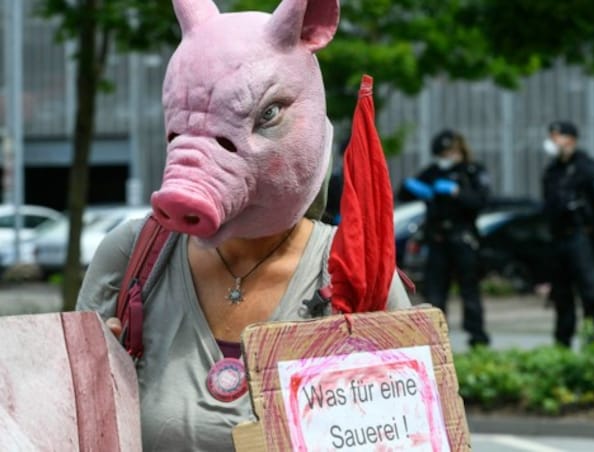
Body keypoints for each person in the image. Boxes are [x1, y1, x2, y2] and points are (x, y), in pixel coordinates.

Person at [76, 0, 412, 450]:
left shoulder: (359, 274)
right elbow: (70, 421)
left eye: (265, 115)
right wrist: (96, 381)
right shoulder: (131, 257)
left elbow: (413, 428)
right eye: (180, 131)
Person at [398, 129, 491, 347]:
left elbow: (481, 201)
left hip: (463, 238)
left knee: (469, 289)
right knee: (435, 291)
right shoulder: (433, 172)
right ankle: (436, 337)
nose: (445, 157)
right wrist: (411, 187)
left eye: (449, 152)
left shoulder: (472, 171)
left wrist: (458, 192)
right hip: (438, 239)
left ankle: (477, 337)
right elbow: (404, 193)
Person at [541, 120, 594, 347]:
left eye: (558, 136)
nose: (553, 141)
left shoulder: (589, 169)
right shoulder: (553, 171)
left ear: (571, 139)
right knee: (562, 298)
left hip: (583, 239)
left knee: (591, 298)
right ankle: (562, 346)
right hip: (560, 240)